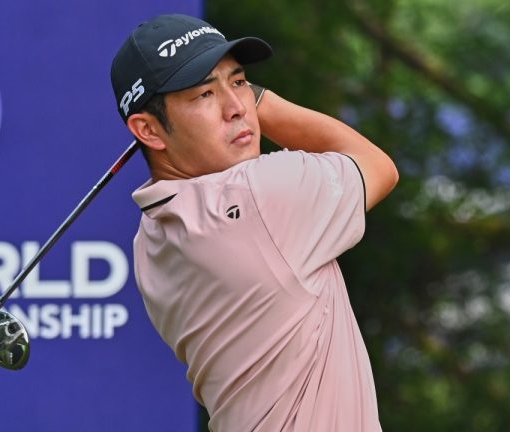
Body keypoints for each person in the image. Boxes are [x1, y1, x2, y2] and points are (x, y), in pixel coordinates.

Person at [111, 13, 398, 431]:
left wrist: (229, 95)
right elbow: (378, 166)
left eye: (240, 81)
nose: (235, 108)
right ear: (149, 130)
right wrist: (262, 100)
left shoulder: (151, 239)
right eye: (204, 94)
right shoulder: (259, 197)